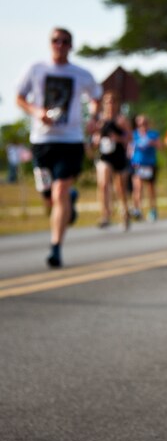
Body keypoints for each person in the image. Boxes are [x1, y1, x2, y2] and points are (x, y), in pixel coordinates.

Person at [15, 27, 102, 268]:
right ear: (50, 43)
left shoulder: (81, 74)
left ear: (71, 46)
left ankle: (56, 248)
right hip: (42, 141)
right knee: (47, 194)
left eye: (65, 42)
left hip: (71, 140)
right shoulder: (36, 69)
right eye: (56, 41)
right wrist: (36, 111)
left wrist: (94, 118)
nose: (60, 45)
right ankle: (68, 203)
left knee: (59, 191)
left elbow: (96, 97)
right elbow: (19, 97)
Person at [92, 91, 132, 230]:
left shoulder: (121, 120)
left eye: (113, 102)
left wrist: (119, 138)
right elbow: (95, 136)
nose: (110, 104)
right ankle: (105, 214)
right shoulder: (100, 120)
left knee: (120, 187)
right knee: (103, 183)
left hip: (118, 155)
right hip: (104, 155)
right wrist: (96, 140)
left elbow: (130, 138)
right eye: (107, 102)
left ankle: (125, 211)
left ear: (117, 104)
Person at [129, 114, 160, 222]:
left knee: (150, 188)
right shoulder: (134, 135)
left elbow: (160, 146)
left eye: (145, 123)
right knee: (137, 186)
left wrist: (153, 143)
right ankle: (137, 209)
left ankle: (153, 210)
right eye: (140, 124)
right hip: (137, 164)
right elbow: (129, 150)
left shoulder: (153, 134)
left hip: (150, 164)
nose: (143, 126)